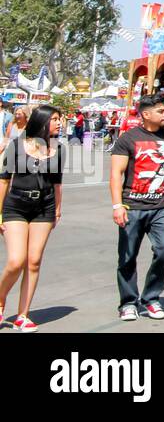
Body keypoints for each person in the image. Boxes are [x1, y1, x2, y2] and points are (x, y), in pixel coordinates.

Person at [109, 95, 164, 321]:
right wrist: (117, 205)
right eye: (161, 111)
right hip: (132, 205)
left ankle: (151, 298)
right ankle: (128, 302)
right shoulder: (127, 139)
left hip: (160, 207)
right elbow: (116, 173)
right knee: (128, 256)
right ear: (146, 114)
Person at [0, 104, 65, 331]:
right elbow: (4, 180)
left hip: (44, 208)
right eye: (55, 119)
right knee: (16, 260)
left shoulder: (59, 148)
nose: (59, 123)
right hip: (15, 206)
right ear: (42, 121)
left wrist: (57, 209)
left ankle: (22, 315)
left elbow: (57, 183)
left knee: (34, 261)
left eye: (60, 119)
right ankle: (0, 299)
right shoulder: (16, 146)